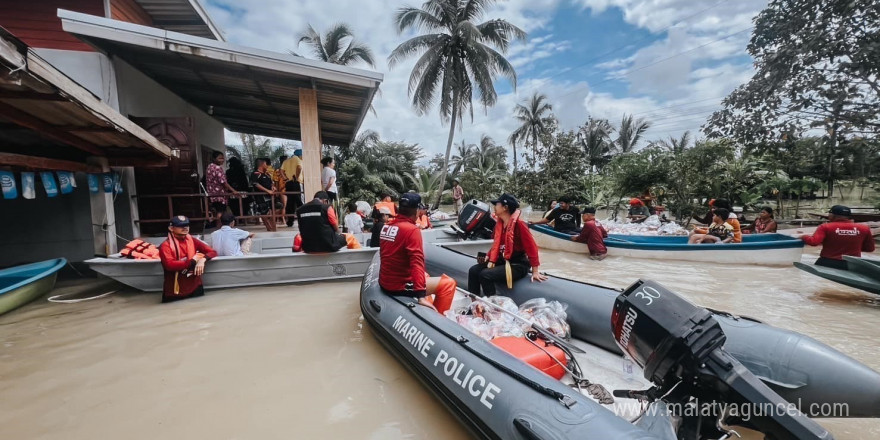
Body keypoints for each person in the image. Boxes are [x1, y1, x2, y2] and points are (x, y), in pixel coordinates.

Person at [379, 192, 456, 314]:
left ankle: (427, 305)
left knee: (425, 275)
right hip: (399, 286)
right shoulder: (411, 230)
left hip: (385, 281)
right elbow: (416, 262)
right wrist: (420, 295)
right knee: (448, 284)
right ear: (416, 211)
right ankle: (439, 319)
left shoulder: (387, 226)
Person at [468, 194, 547, 296]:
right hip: (503, 261)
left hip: (518, 265)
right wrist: (488, 256)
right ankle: (475, 303)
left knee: (485, 275)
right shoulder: (499, 224)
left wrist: (535, 271)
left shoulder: (520, 225)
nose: (494, 207)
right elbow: (497, 245)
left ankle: (493, 307)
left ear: (505, 208)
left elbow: (531, 248)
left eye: (497, 204)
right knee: (473, 270)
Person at [158, 215, 217, 303]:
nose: (185, 227)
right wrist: (192, 262)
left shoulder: (192, 240)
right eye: (181, 226)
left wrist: (203, 259)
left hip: (195, 288)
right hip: (175, 293)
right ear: (171, 228)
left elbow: (212, 252)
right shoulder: (165, 246)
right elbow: (169, 265)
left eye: (187, 225)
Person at [800, 205, 875, 270]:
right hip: (852, 264)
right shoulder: (864, 228)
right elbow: (870, 248)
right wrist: (853, 247)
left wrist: (803, 236)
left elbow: (814, 242)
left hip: (828, 262)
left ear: (832, 215)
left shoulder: (826, 227)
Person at [293, 191, 360, 253]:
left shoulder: (300, 210)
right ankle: (356, 258)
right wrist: (339, 234)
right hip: (328, 245)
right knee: (350, 237)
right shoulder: (327, 208)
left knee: (298, 237)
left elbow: (300, 227)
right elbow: (336, 228)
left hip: (308, 247)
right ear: (325, 201)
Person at [205, 151, 239, 228]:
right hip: (219, 194)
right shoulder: (217, 168)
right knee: (220, 212)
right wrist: (234, 191)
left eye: (223, 158)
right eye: (219, 158)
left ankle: (219, 227)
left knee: (218, 210)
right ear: (214, 159)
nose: (222, 160)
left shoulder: (209, 167)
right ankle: (219, 227)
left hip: (212, 194)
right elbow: (223, 182)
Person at [251, 158, 277, 231]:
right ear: (262, 165)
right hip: (261, 197)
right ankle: (269, 228)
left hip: (270, 197)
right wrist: (267, 191)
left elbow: (271, 183)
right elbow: (256, 184)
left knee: (273, 211)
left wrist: (273, 187)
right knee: (264, 212)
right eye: (266, 164)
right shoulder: (255, 174)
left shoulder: (267, 174)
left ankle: (273, 227)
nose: (267, 166)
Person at [281, 149, 305, 227]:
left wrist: (285, 178)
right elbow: (299, 167)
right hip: (296, 183)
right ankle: (304, 219)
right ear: (300, 155)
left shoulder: (287, 161)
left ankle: (290, 221)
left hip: (288, 183)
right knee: (299, 201)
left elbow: (281, 171)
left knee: (290, 202)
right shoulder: (298, 159)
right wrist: (297, 177)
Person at [273, 155, 290, 225]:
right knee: (284, 205)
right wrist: (277, 191)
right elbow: (276, 181)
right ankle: (283, 218)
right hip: (282, 190)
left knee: (287, 205)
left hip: (288, 189)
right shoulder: (277, 171)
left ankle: (284, 218)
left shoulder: (288, 170)